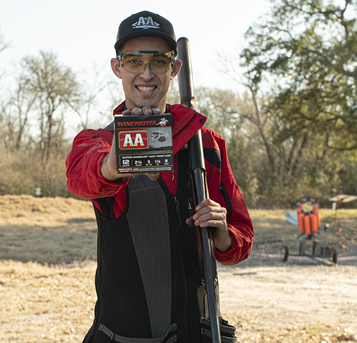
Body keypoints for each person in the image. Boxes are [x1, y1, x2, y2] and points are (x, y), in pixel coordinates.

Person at [66, 10, 253, 343]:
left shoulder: (207, 145)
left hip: (198, 333)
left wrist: (222, 233)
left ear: (175, 68)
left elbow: (240, 242)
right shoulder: (98, 142)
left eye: (160, 61)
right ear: (117, 67)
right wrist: (117, 161)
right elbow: (81, 179)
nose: (147, 73)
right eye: (134, 61)